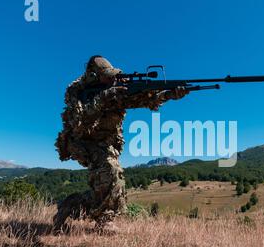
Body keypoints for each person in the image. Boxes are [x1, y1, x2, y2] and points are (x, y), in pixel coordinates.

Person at [53, 55, 188, 232]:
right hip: (81, 141)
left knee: (111, 183)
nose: (111, 79)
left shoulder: (115, 88)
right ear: (93, 76)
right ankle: (105, 221)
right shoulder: (76, 91)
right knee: (110, 170)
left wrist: (170, 94)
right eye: (107, 76)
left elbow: (144, 100)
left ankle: (71, 205)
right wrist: (103, 98)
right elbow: (80, 120)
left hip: (105, 142)